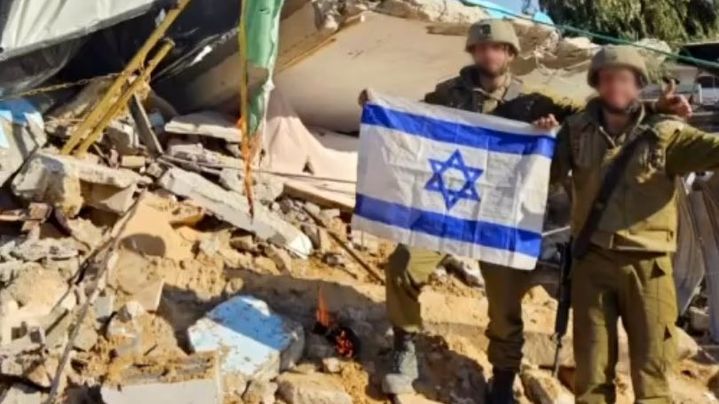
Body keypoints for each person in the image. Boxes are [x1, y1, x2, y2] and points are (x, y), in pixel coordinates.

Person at [359, 19, 690, 403]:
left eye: (498, 48)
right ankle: (405, 344)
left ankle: (502, 375)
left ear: (511, 55)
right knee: (402, 267)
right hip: (444, 212)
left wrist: (651, 108)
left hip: (500, 218)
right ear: (473, 53)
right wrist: (377, 108)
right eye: (482, 48)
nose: (489, 54)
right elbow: (412, 123)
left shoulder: (533, 102)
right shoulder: (447, 95)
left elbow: (599, 112)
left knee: (505, 302)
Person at [546, 45, 719, 404]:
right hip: (592, 264)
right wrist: (539, 135)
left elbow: (713, 148)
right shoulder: (575, 132)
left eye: (625, 79)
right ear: (596, 83)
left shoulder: (668, 133)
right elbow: (540, 171)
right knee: (592, 376)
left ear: (638, 85)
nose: (615, 86)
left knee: (651, 376)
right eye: (607, 78)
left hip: (649, 268)